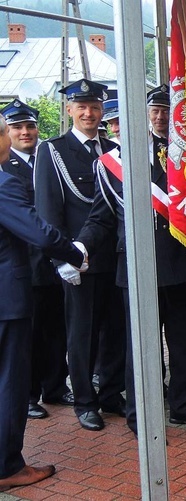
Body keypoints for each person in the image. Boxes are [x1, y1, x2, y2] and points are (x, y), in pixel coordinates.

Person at [77, 85, 186, 437]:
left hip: (177, 259)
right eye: (114, 122)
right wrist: (78, 246)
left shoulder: (174, 155)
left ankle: (184, 406)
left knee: (184, 342)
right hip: (136, 266)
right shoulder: (109, 164)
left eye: (163, 110)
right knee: (140, 346)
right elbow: (101, 218)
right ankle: (141, 412)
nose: (156, 116)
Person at [0, 114, 86, 492]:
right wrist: (75, 253)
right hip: (7, 299)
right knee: (10, 382)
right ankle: (7, 465)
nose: (11, 136)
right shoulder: (3, 184)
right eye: (5, 131)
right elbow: (37, 231)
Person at [34, 79, 126, 431]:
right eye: (82, 107)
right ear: (70, 110)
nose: (89, 113)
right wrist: (61, 259)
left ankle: (111, 392)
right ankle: (86, 401)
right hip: (79, 261)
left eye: (95, 107)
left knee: (115, 329)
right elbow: (48, 210)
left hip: (113, 257)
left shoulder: (113, 150)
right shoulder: (53, 151)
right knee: (82, 333)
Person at [0, 100, 71, 419]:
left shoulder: (49, 156)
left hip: (52, 264)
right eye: (16, 128)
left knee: (55, 329)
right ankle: (27, 394)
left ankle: (55, 386)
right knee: (26, 337)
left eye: (30, 126)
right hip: (23, 267)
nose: (25, 132)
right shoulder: (5, 170)